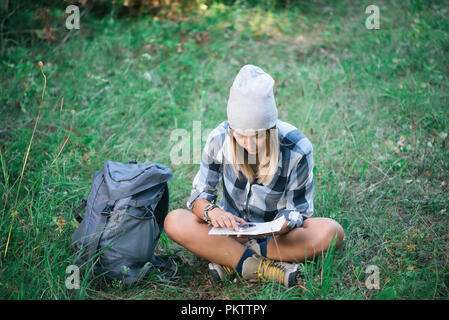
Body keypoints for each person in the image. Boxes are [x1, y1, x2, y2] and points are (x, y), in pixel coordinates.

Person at [164, 64, 344, 287]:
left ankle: (232, 259)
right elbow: (199, 197)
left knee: (331, 231)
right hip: (229, 232)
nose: (248, 145)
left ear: (271, 130)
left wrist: (285, 222)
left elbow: (300, 212)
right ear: (231, 130)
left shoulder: (297, 147)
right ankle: (263, 268)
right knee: (175, 220)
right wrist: (213, 212)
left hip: (276, 238)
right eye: (240, 136)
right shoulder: (218, 138)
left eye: (257, 137)